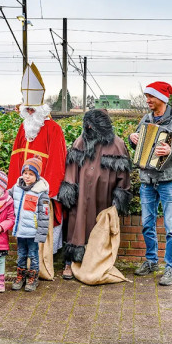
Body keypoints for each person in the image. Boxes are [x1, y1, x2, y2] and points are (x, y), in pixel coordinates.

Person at [128, 81, 172, 286]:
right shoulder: (146, 119)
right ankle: (151, 261)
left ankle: (171, 268)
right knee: (147, 224)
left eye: (151, 96)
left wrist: (171, 151)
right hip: (147, 180)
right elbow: (139, 144)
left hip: (169, 181)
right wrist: (132, 138)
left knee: (171, 227)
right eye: (146, 96)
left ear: (162, 98)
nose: (147, 100)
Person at [58, 109, 132, 279]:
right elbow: (71, 168)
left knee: (100, 229)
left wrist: (119, 198)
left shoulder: (117, 144)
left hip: (103, 195)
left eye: (92, 124)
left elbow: (123, 174)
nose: (89, 127)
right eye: (87, 124)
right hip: (81, 194)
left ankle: (95, 264)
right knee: (76, 227)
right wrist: (69, 190)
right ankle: (70, 262)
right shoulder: (80, 142)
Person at [7, 63, 67, 254]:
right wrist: (16, 185)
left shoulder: (54, 129)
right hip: (24, 187)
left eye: (33, 109)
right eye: (28, 110)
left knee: (43, 226)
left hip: (42, 188)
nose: (30, 113)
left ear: (41, 108)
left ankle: (45, 259)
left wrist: (46, 189)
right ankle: (27, 259)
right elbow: (16, 159)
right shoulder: (23, 128)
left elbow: (57, 162)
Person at [9, 157, 51, 292]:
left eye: (31, 174)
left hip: (33, 232)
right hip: (20, 230)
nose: (27, 176)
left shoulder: (41, 192)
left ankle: (33, 278)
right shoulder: (16, 188)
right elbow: (5, 197)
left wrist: (41, 234)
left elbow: (44, 215)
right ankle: (20, 276)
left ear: (37, 176)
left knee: (33, 255)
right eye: (25, 173)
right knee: (21, 254)